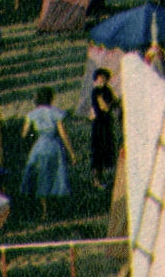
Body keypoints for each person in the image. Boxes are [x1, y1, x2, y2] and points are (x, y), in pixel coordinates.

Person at [22, 87, 76, 218]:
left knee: (41, 176)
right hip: (54, 145)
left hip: (39, 146)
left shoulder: (32, 114)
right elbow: (63, 133)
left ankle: (45, 210)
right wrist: (72, 152)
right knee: (56, 174)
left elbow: (24, 134)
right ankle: (57, 206)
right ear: (51, 98)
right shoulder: (56, 112)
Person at [89, 69, 120, 190]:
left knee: (104, 150)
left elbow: (112, 103)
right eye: (101, 77)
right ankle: (97, 179)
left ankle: (100, 178)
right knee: (98, 151)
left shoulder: (107, 90)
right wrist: (112, 103)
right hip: (99, 124)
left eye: (105, 77)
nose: (103, 79)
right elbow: (105, 106)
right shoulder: (97, 91)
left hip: (106, 122)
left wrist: (112, 103)